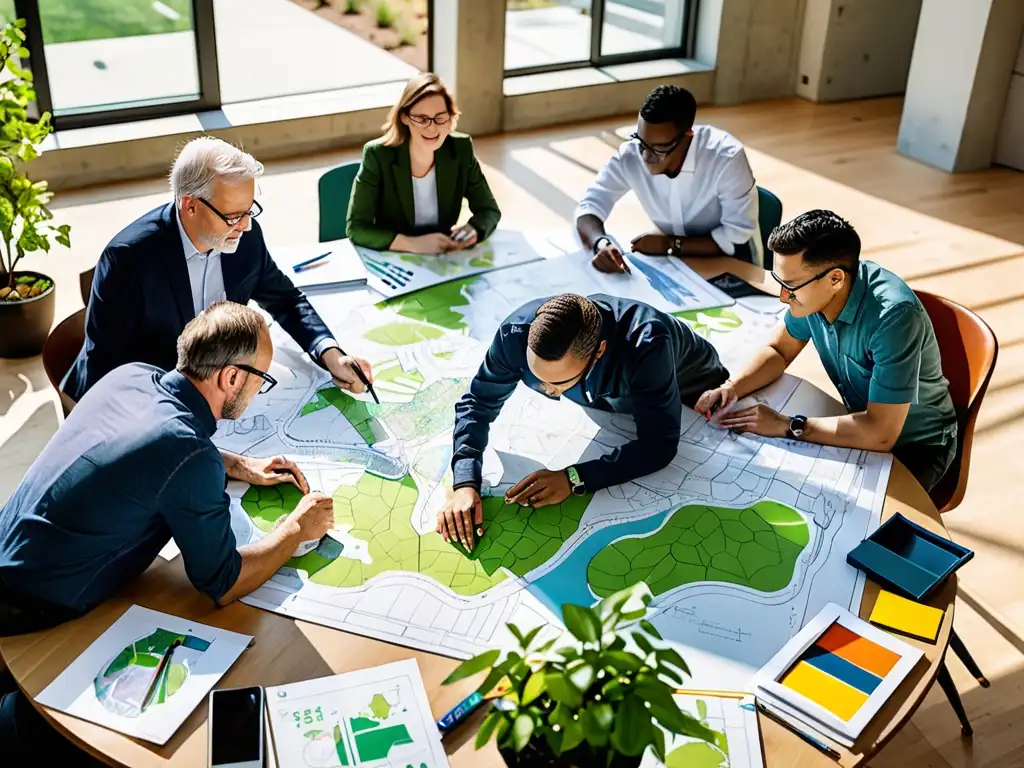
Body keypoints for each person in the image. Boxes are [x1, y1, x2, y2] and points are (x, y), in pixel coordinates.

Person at [0, 302, 336, 760]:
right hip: (33, 607)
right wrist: (296, 529)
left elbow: (151, 445)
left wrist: (237, 464)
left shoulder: (132, 376)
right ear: (231, 378)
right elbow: (223, 582)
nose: (260, 390)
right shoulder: (187, 454)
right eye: (261, 379)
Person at [63, 136, 372, 403]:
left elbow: (285, 299)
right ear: (190, 205)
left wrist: (332, 354)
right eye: (233, 215)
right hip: (139, 399)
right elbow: (111, 371)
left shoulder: (246, 237)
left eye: (249, 211)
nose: (246, 225)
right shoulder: (127, 261)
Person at [438, 293, 729, 549]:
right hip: (610, 406)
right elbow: (478, 402)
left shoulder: (647, 342)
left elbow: (659, 445)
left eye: (557, 383)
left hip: (692, 387)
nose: (547, 391)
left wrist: (574, 478)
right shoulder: (514, 334)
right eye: (536, 377)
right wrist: (464, 480)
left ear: (598, 351)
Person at [695, 210, 958, 492]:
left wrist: (788, 425)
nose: (783, 297)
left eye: (791, 286)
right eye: (780, 282)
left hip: (916, 448)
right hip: (859, 426)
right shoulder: (813, 295)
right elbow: (780, 350)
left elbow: (881, 433)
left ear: (835, 279)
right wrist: (732, 387)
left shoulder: (893, 318)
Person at [576, 84, 761, 273]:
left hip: (732, 260)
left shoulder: (725, 158)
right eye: (642, 143)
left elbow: (735, 236)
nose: (646, 157)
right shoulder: (632, 155)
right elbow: (590, 205)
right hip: (676, 263)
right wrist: (600, 242)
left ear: (688, 135)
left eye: (659, 149)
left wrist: (669, 244)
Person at [346, 72, 501, 254]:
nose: (432, 127)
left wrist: (474, 229)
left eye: (440, 117)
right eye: (421, 119)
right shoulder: (377, 155)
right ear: (404, 117)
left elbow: (489, 210)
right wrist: (413, 244)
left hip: (442, 256)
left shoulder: (461, 149)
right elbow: (356, 228)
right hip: (396, 257)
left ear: (451, 117)